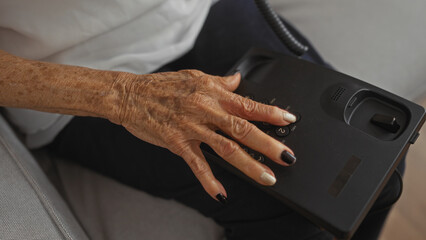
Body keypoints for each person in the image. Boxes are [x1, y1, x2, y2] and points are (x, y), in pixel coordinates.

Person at [0, 0, 402, 239]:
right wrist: (126, 96)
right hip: (75, 66)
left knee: (382, 165)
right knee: (298, 218)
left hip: (197, 11)